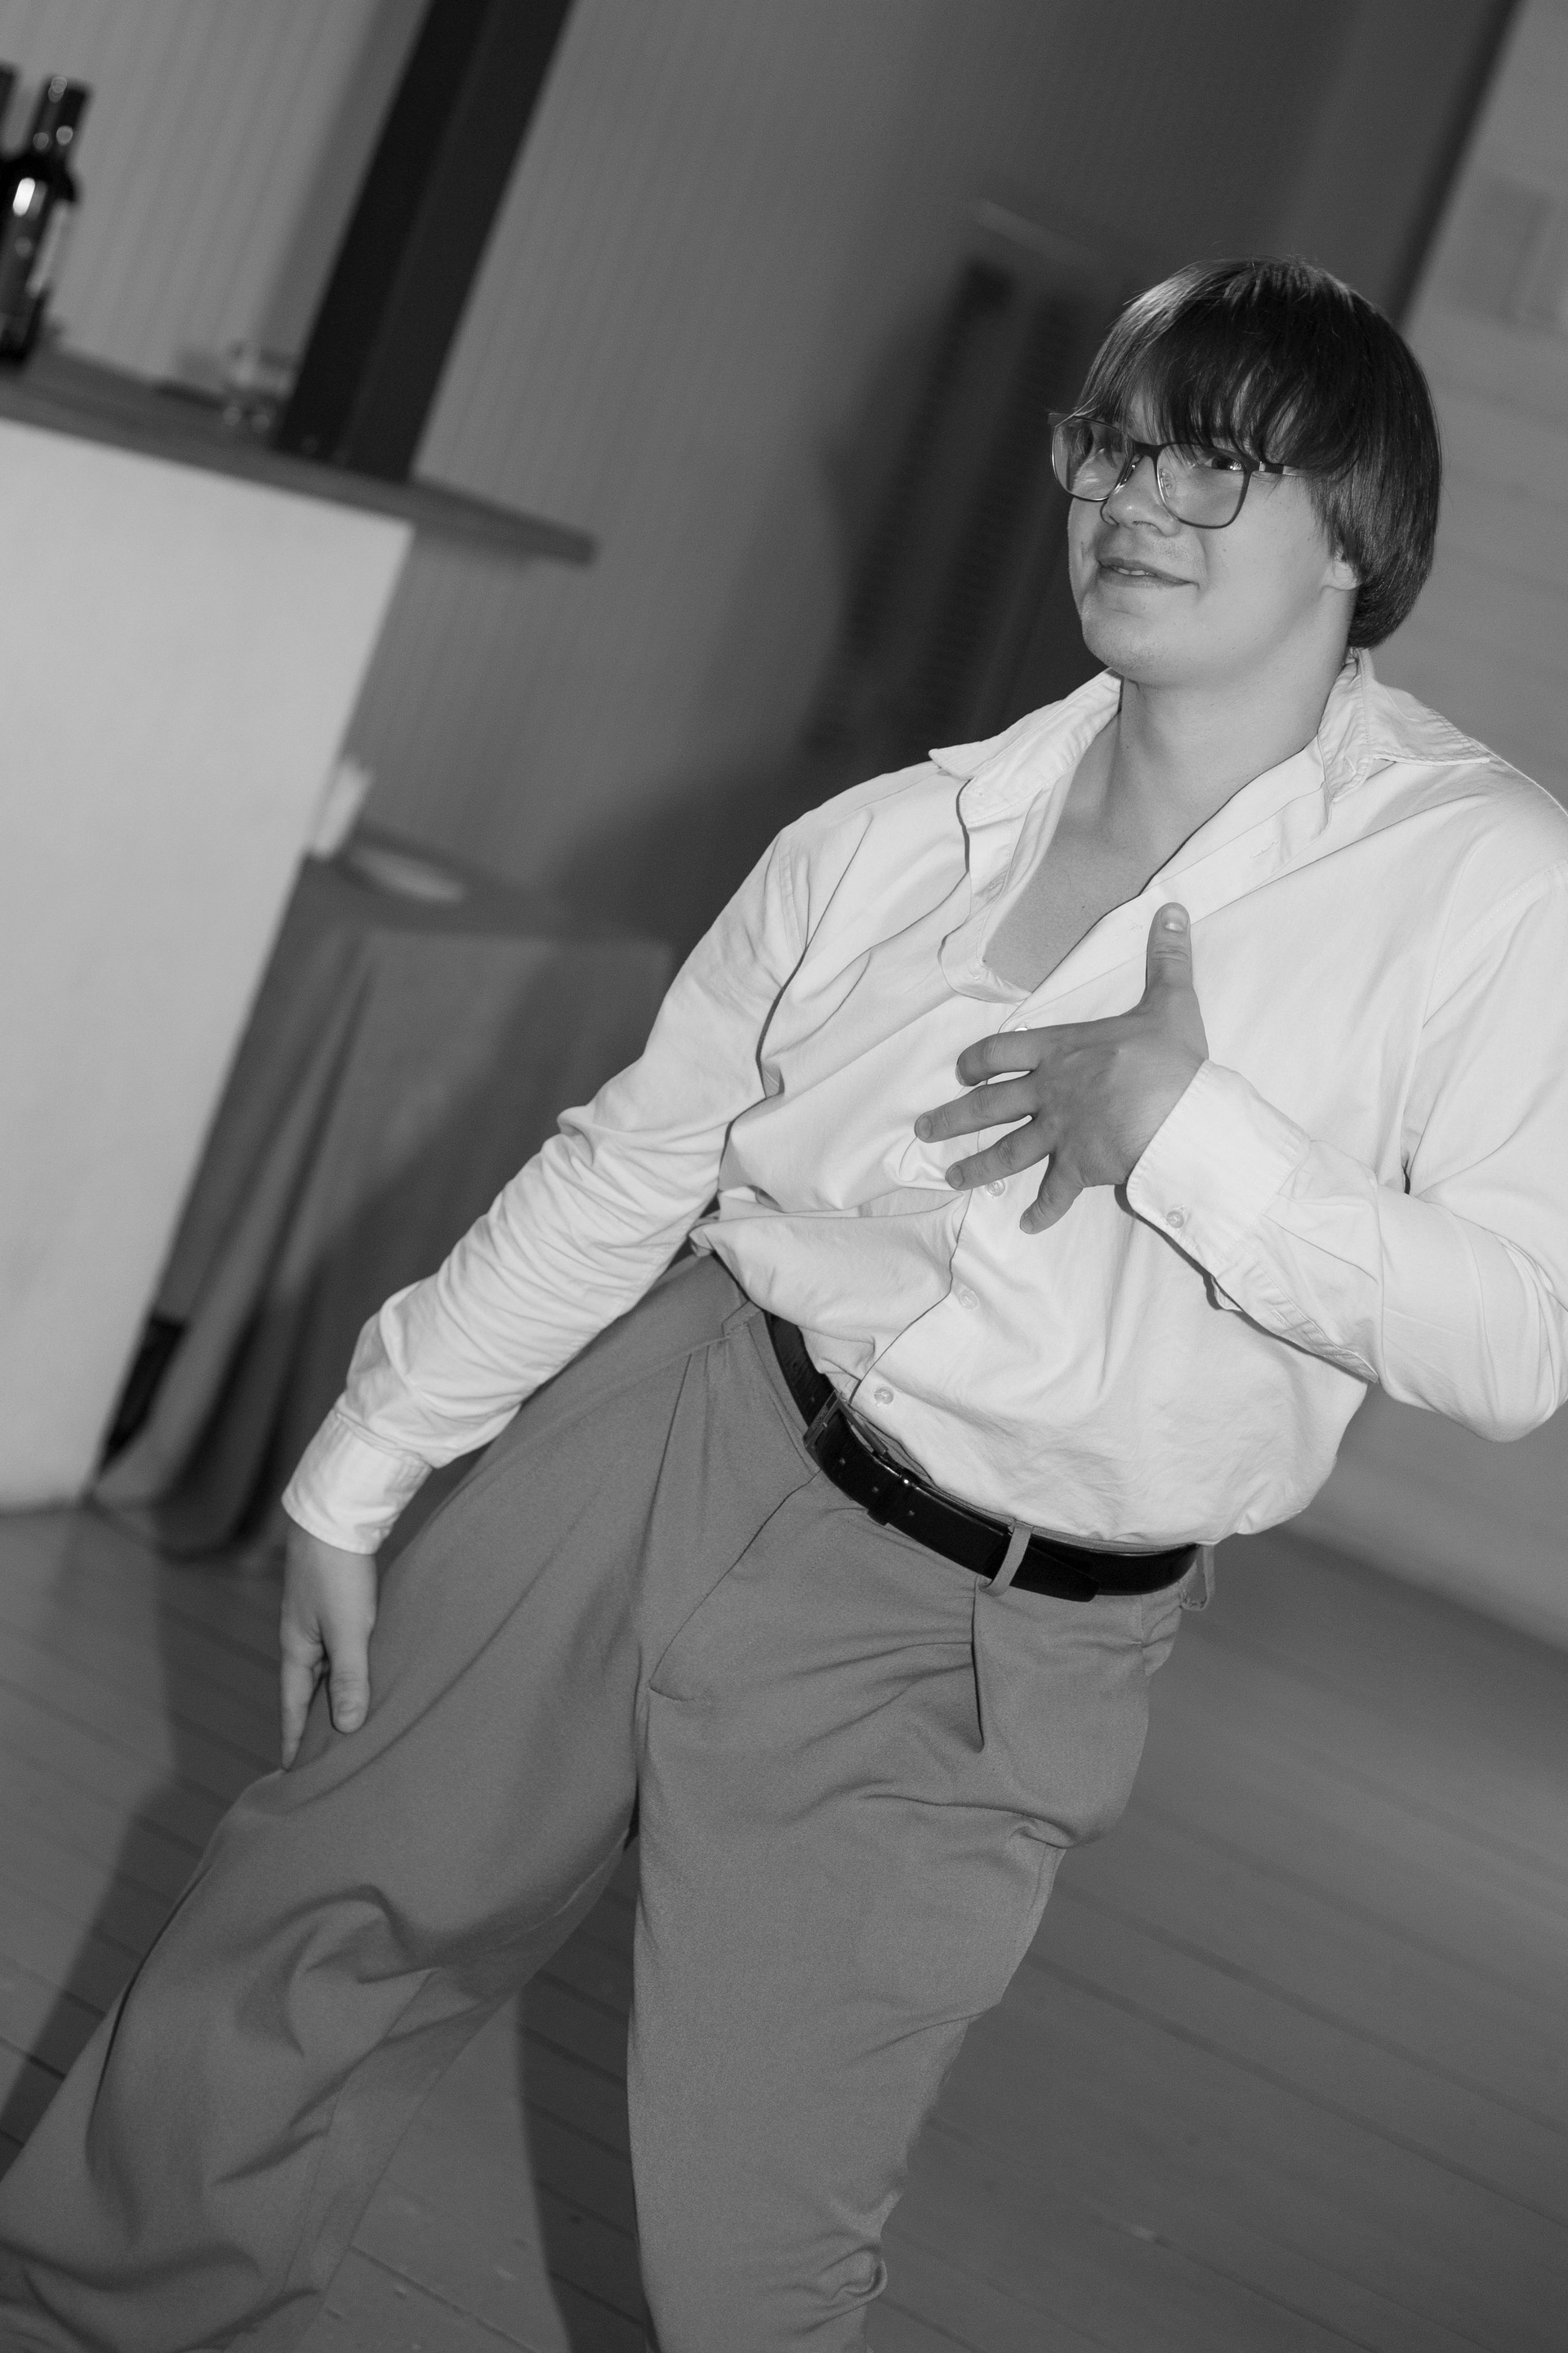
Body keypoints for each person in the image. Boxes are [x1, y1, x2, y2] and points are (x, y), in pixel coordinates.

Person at [5, 254, 1567, 2352]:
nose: (1133, 503)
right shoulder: (894, 839)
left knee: (757, 2245)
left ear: (1357, 535)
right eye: (1110, 449)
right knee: (303, 1919)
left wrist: (1189, 1132)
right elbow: (631, 1164)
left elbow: (1517, 1339)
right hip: (682, 1419)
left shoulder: (1488, 883)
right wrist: (361, 1462)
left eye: (1212, 465)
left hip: (983, 1623)